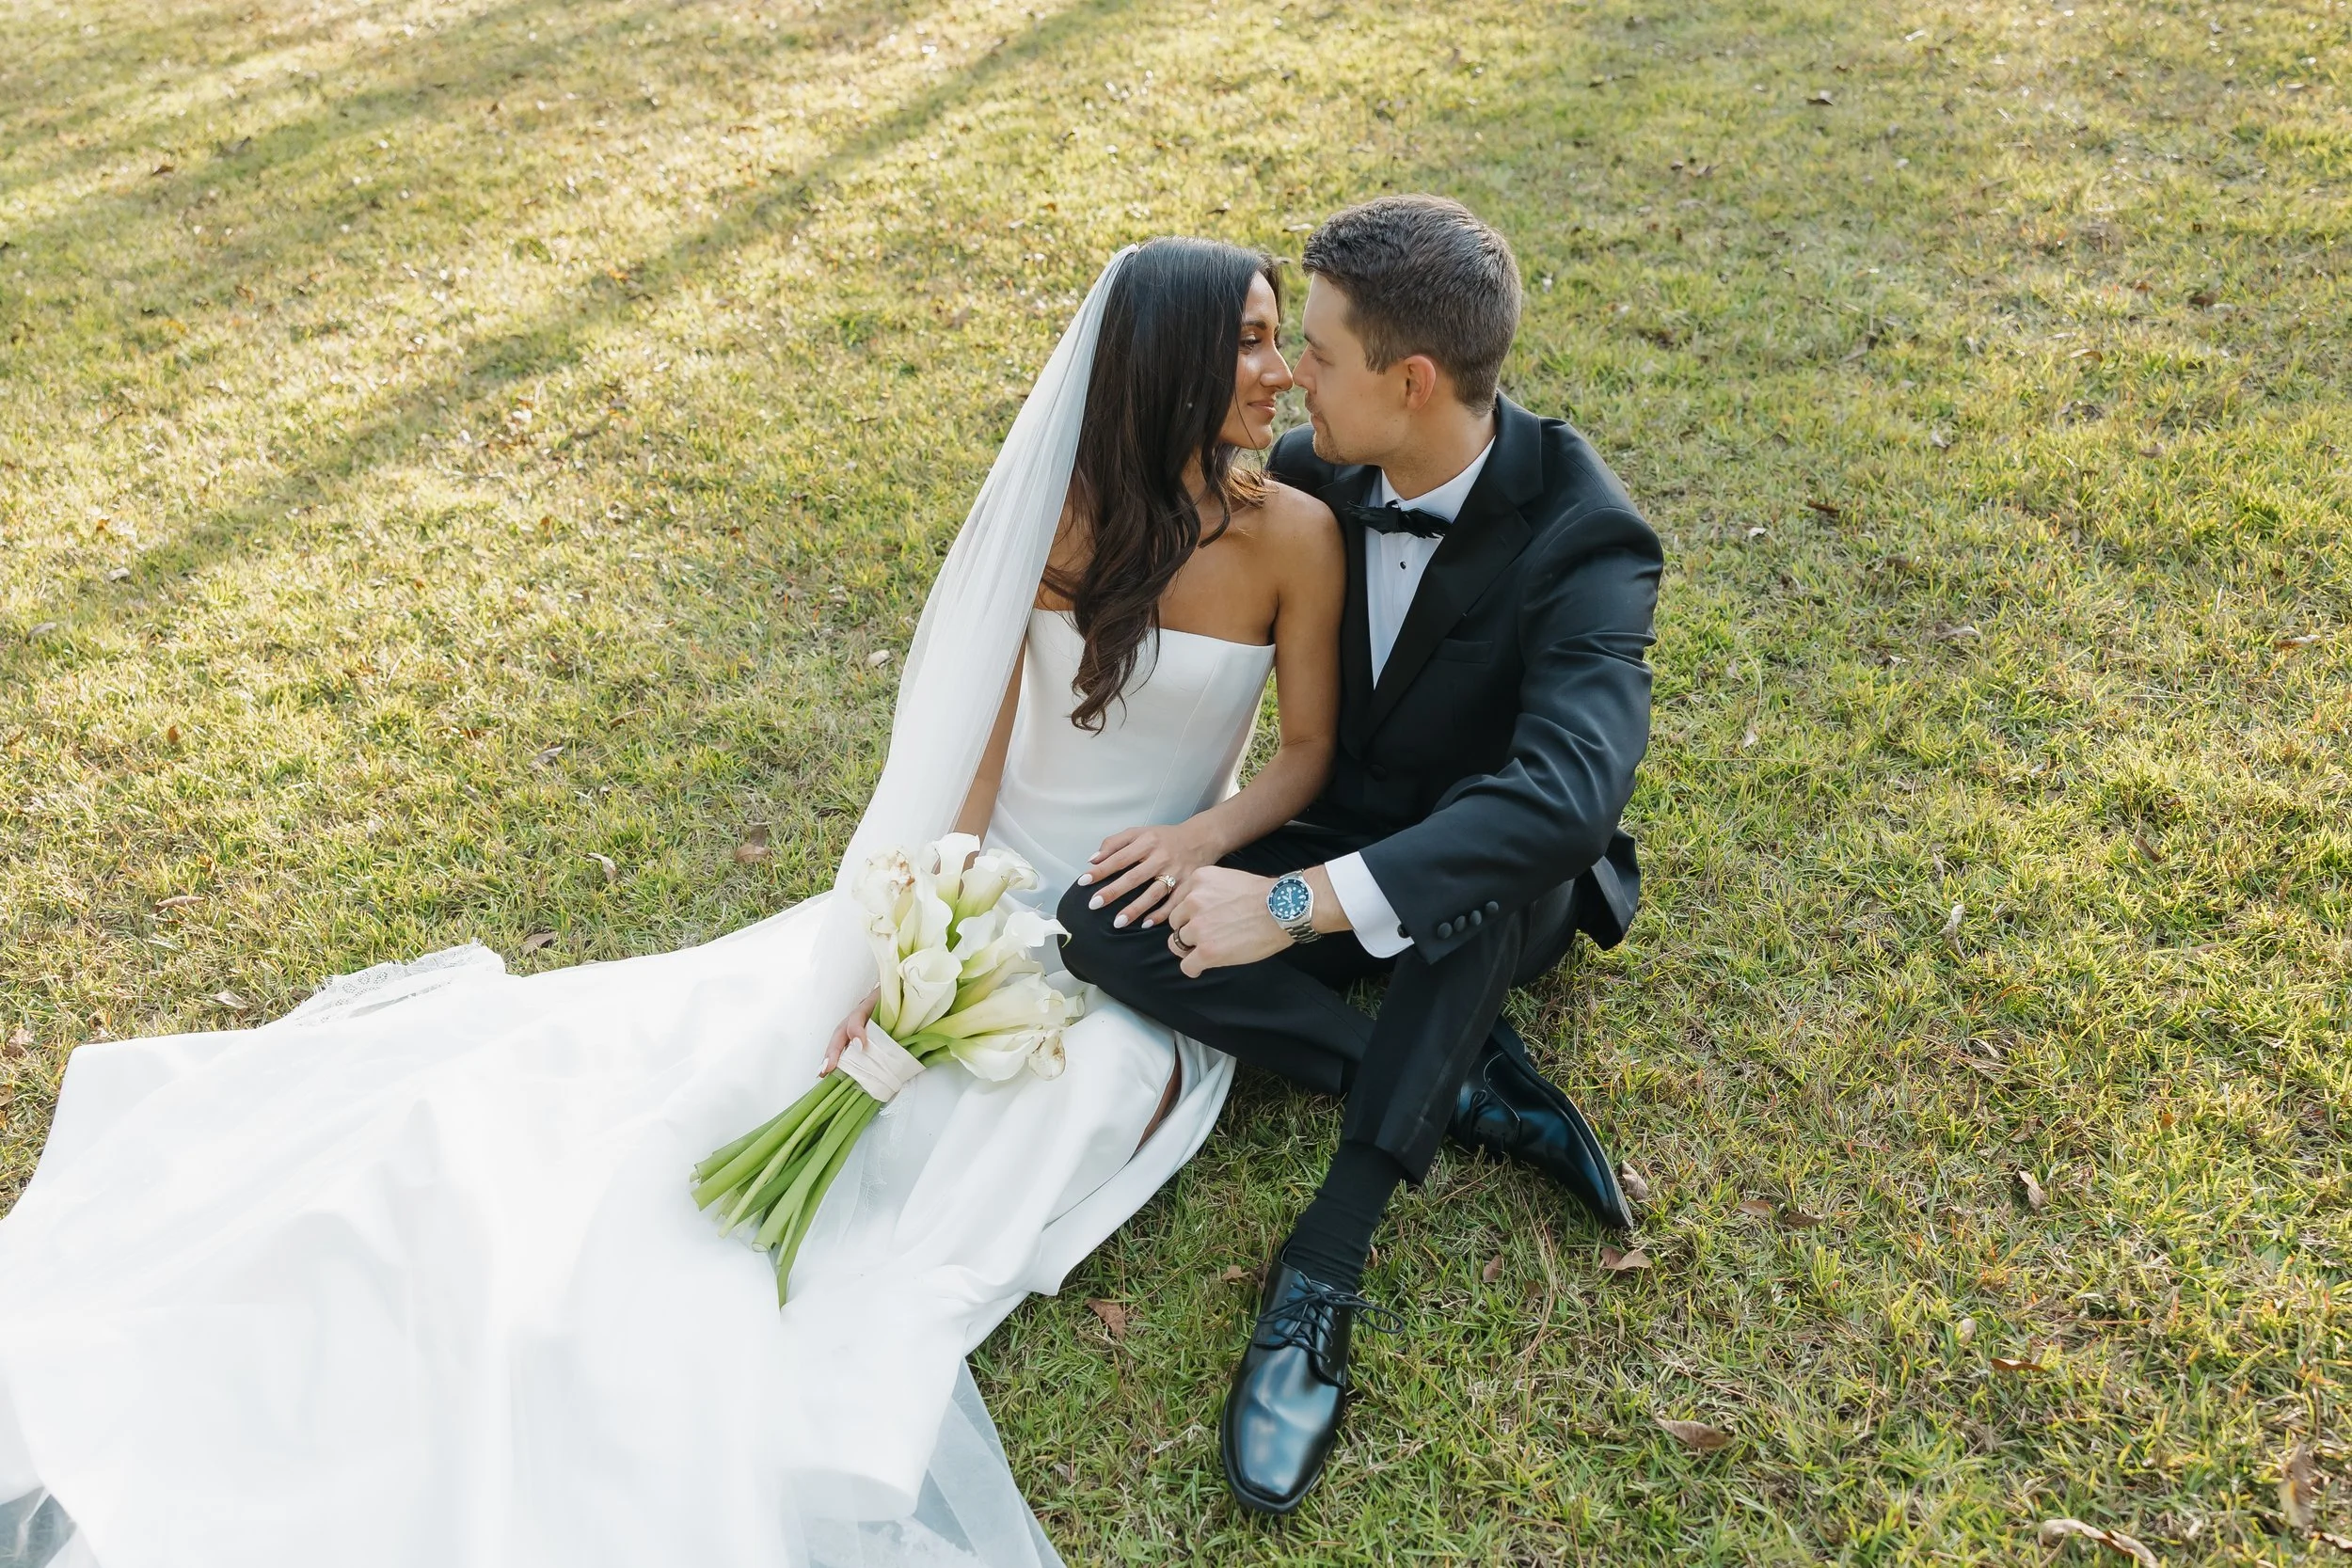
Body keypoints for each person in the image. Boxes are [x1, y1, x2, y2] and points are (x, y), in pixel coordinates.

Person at [0, 239, 1339, 1568]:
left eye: (1281, 340)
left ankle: (886, 1304)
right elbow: (973, 782)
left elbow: (1305, 754)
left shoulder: (1300, 537)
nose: (1279, 372)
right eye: (1252, 343)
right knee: (748, 1096)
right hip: (993, 896)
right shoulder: (1060, 519)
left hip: (1159, 919)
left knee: (1071, 1092)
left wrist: (1199, 841)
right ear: (1166, 363)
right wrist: (919, 934)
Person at [1059, 195, 1664, 1516]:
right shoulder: (1312, 467)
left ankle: (1322, 1268)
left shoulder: (1588, 532)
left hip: (1503, 868)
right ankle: (1464, 1086)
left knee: (1481, 895)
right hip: (1345, 805)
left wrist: (1292, 901)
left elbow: (1562, 797)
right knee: (1096, 915)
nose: (1286, 377)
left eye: (1313, 352)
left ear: (1412, 380)